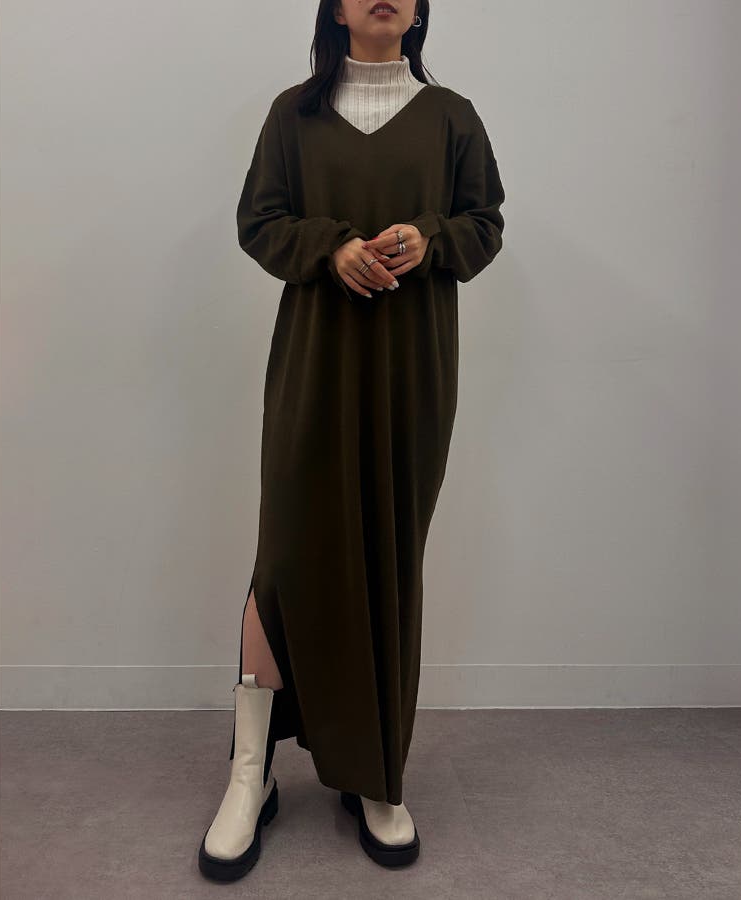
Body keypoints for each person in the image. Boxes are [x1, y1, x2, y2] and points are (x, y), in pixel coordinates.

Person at [198, 0, 505, 881]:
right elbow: (260, 222)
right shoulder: (292, 115)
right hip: (315, 360)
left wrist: (429, 236)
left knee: (387, 554)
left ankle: (376, 774)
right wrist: (330, 249)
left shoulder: (452, 118)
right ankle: (250, 774)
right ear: (334, 8)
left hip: (413, 367)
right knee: (284, 556)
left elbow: (484, 225)